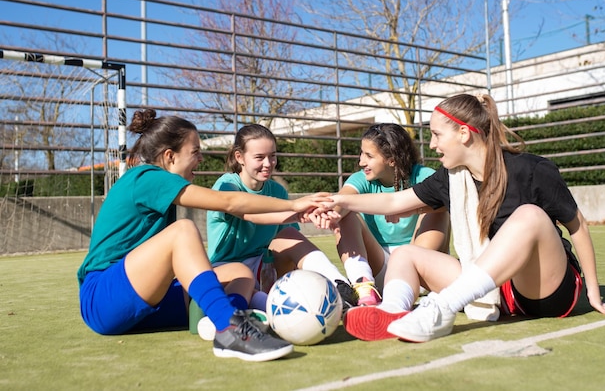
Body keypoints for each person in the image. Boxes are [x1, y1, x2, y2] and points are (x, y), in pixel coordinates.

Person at [316, 94, 605, 342]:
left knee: (529, 216)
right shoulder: (451, 179)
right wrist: (339, 200)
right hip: (497, 291)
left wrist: (593, 293)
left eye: (437, 134)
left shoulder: (532, 169)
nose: (433, 144)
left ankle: (442, 307)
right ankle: (393, 312)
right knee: (408, 255)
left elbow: (578, 226)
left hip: (544, 289)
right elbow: (395, 200)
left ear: (464, 133)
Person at [77, 108, 331, 362]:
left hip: (146, 302)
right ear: (169, 156)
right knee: (183, 231)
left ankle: (228, 316)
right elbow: (228, 202)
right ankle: (229, 330)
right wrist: (294, 205)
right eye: (195, 152)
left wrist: (295, 210)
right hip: (103, 300)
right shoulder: (146, 178)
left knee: (239, 273)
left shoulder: (158, 184)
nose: (201, 159)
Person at [202, 123, 357, 337]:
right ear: (239, 157)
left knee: (290, 235)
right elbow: (250, 213)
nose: (268, 164)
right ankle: (269, 311)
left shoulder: (277, 191)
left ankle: (340, 289)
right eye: (259, 157)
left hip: (263, 268)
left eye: (272, 156)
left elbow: (289, 242)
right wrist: (296, 210)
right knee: (246, 281)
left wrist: (310, 213)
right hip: (228, 271)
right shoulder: (227, 186)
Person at [320, 123, 449, 307]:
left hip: (420, 268)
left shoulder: (424, 176)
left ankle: (420, 277)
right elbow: (342, 200)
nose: (361, 162)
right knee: (347, 213)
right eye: (362, 153)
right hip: (381, 270)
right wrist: (328, 213)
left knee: (438, 208)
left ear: (392, 160)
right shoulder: (361, 179)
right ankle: (363, 285)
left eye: (369, 156)